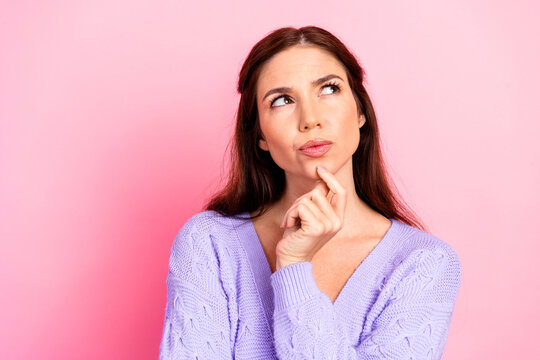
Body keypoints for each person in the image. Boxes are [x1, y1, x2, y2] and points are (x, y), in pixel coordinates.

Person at [158, 25, 462, 359]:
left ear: (360, 111)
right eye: (282, 100)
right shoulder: (209, 243)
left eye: (329, 89)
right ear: (259, 134)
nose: (310, 119)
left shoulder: (423, 263)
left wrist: (293, 269)